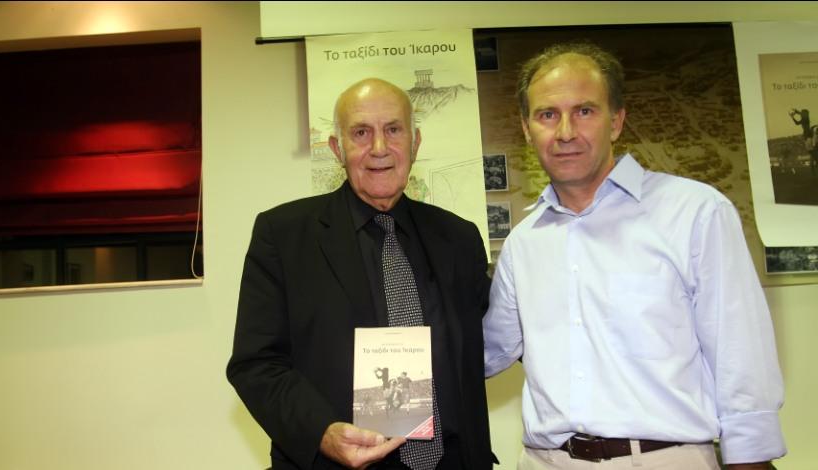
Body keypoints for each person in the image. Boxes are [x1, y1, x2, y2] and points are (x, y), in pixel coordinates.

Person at [482, 42, 786, 469]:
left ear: (616, 121)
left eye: (584, 111)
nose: (565, 132)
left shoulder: (695, 212)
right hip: (546, 461)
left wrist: (751, 458)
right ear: (527, 128)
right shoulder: (523, 243)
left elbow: (740, 353)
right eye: (547, 114)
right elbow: (487, 350)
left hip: (664, 459)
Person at [227, 78, 495, 470]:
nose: (380, 148)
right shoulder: (283, 236)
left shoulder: (458, 237)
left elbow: (497, 336)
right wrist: (321, 432)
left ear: (416, 142)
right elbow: (255, 364)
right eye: (361, 133)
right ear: (338, 148)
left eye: (394, 129)